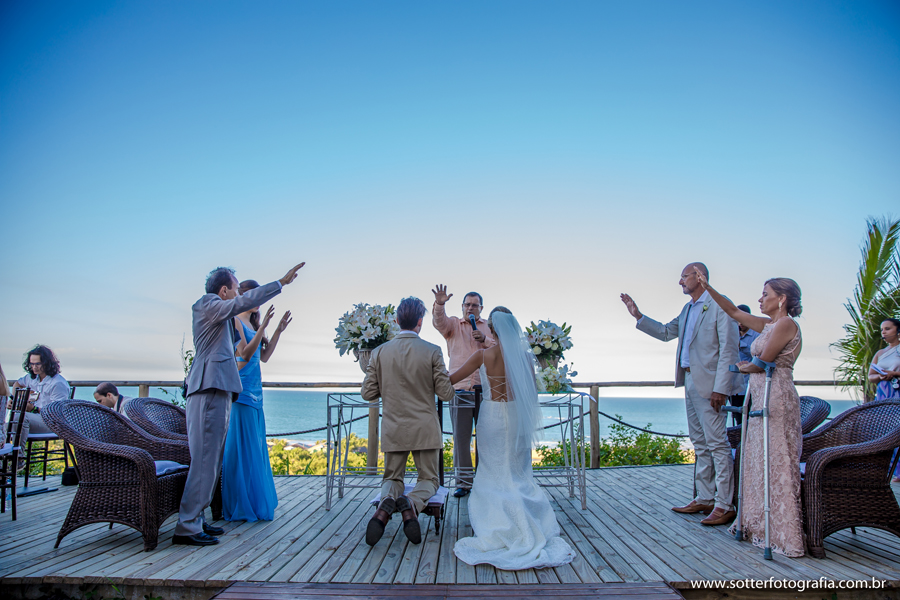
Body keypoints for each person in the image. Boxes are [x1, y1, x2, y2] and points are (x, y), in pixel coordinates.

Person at [173, 262, 304, 547]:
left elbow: (247, 350)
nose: (238, 293)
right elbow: (245, 307)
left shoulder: (219, 315)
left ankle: (196, 519)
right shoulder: (208, 303)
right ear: (223, 291)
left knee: (211, 460)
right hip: (209, 388)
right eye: (235, 288)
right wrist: (280, 283)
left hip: (218, 389)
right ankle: (187, 526)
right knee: (205, 460)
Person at [448, 306, 575, 569]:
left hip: (492, 416)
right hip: (516, 416)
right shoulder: (526, 359)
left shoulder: (483, 355)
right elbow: (531, 392)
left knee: (493, 469)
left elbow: (452, 379)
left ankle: (499, 524)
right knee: (517, 470)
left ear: (491, 329)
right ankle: (529, 520)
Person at [695, 269, 806, 557]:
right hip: (759, 396)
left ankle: (782, 533)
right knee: (758, 460)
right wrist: (709, 288)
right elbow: (732, 311)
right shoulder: (768, 324)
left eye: (765, 294)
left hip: (777, 395)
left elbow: (762, 361)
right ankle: (757, 524)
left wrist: (744, 365)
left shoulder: (785, 325)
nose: (759, 299)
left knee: (776, 460)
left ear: (781, 299)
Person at [620, 262, 739, 526]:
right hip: (689, 381)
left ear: (700, 277)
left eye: (684, 276)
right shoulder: (687, 309)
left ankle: (725, 504)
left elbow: (729, 350)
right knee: (700, 443)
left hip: (711, 386)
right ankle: (706, 498)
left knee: (718, 444)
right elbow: (664, 333)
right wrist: (638, 316)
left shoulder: (720, 304)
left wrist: (721, 387)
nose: (680, 281)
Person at [361, 296, 456, 546]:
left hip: (394, 427)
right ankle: (411, 505)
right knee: (430, 479)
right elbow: (446, 394)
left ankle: (383, 509)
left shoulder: (379, 352)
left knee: (392, 479)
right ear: (420, 323)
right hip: (425, 427)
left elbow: (367, 393)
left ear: (396, 320)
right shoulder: (432, 351)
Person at [221, 279, 292, 522]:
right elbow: (244, 354)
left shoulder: (252, 322)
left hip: (256, 391)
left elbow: (264, 357)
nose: (259, 300)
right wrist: (264, 328)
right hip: (241, 393)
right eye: (255, 295)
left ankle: (252, 499)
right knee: (241, 450)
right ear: (245, 296)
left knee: (255, 448)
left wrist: (278, 330)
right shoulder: (235, 321)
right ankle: (238, 504)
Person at [431, 285, 495, 498]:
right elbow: (438, 322)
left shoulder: (488, 327)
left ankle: (487, 481)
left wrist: (484, 340)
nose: (470, 308)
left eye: (474, 305)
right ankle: (464, 483)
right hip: (460, 391)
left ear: (481, 308)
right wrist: (440, 304)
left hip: (486, 391)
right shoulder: (453, 326)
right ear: (462, 306)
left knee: (488, 438)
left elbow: (500, 348)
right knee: (461, 439)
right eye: (467, 304)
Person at [12, 345, 71, 464]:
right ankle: (6, 460)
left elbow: (57, 414)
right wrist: (15, 401)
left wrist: (33, 409)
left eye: (37, 364)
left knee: (19, 418)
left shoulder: (57, 383)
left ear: (47, 363)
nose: (34, 367)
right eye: (32, 364)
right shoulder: (32, 378)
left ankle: (17, 459)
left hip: (52, 423)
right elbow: (17, 384)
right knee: (6, 426)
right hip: (34, 419)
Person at [869, 318, 900, 482]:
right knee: (885, 428)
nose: (884, 332)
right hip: (883, 391)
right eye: (882, 329)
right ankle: (889, 470)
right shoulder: (880, 353)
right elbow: (871, 377)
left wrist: (894, 374)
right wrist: (881, 376)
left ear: (897, 331)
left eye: (888, 329)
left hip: (898, 389)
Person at [729, 305, 761, 425]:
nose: (740, 323)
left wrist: (741, 345)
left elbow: (759, 356)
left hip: (750, 386)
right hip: (734, 386)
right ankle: (739, 443)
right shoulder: (732, 334)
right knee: (738, 419)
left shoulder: (757, 335)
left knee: (751, 419)